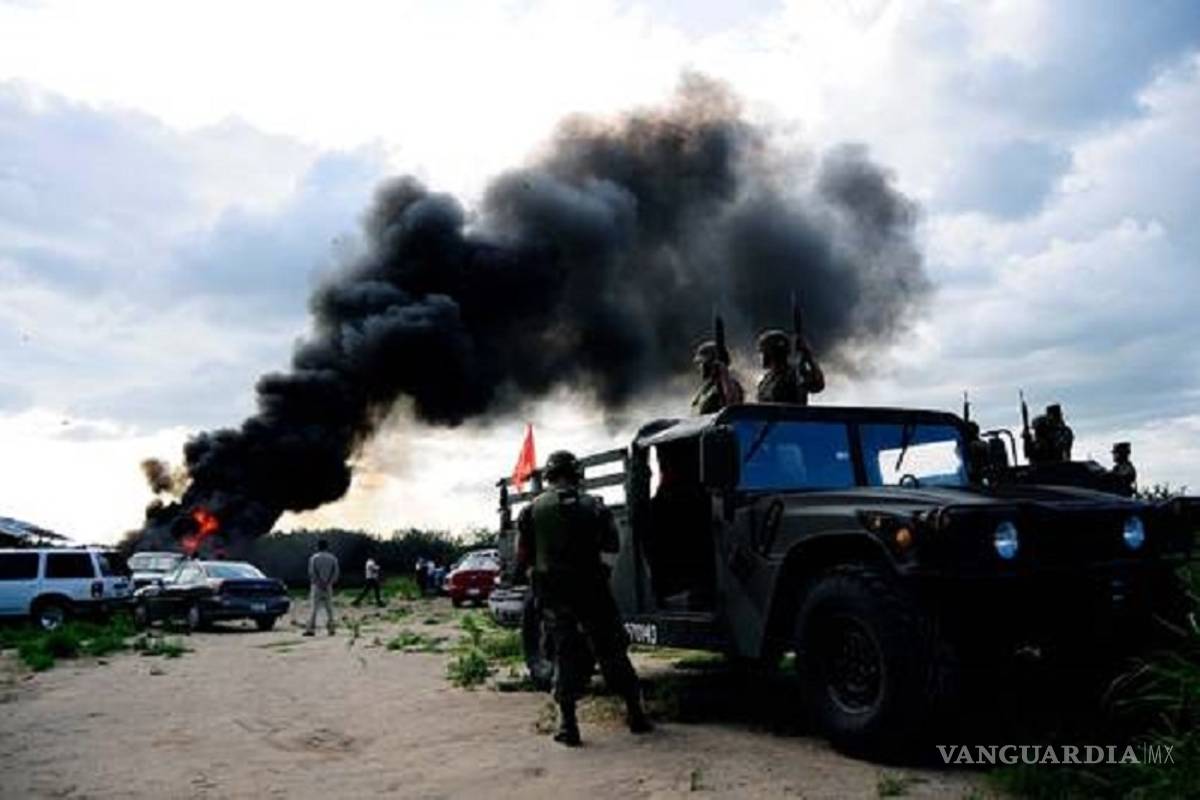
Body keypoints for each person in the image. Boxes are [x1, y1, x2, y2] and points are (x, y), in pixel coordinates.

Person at [515, 449, 652, 746]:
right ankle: (636, 714)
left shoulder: (530, 511)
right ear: (578, 474)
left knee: (564, 652)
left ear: (549, 476)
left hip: (554, 593)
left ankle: (569, 726)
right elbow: (612, 544)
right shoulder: (596, 506)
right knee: (611, 648)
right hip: (592, 588)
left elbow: (522, 557)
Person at [755, 329, 824, 405]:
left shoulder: (794, 375)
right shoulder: (767, 379)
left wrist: (808, 356)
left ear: (771, 353)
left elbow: (818, 385)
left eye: (763, 352)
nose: (761, 357)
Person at [690, 340, 744, 415]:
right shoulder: (707, 388)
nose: (700, 367)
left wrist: (724, 374)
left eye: (702, 363)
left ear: (710, 363)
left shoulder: (730, 384)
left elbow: (732, 404)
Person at [305, 539, 339, 636]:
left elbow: (312, 572)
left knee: (314, 608)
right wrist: (329, 582)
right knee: (329, 608)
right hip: (328, 586)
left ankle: (311, 629)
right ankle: (331, 629)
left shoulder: (314, 558)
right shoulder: (333, 558)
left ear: (318, 546)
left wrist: (319, 582)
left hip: (317, 586)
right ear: (327, 546)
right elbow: (336, 572)